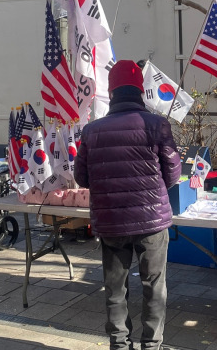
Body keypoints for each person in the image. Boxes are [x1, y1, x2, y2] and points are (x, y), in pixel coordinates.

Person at [74, 60, 181, 350]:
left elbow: (81, 177)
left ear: (112, 90)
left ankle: (119, 345)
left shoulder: (92, 131)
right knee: (154, 286)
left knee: (115, 288)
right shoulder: (157, 125)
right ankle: (152, 345)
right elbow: (173, 174)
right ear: (139, 90)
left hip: (111, 222)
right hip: (152, 221)